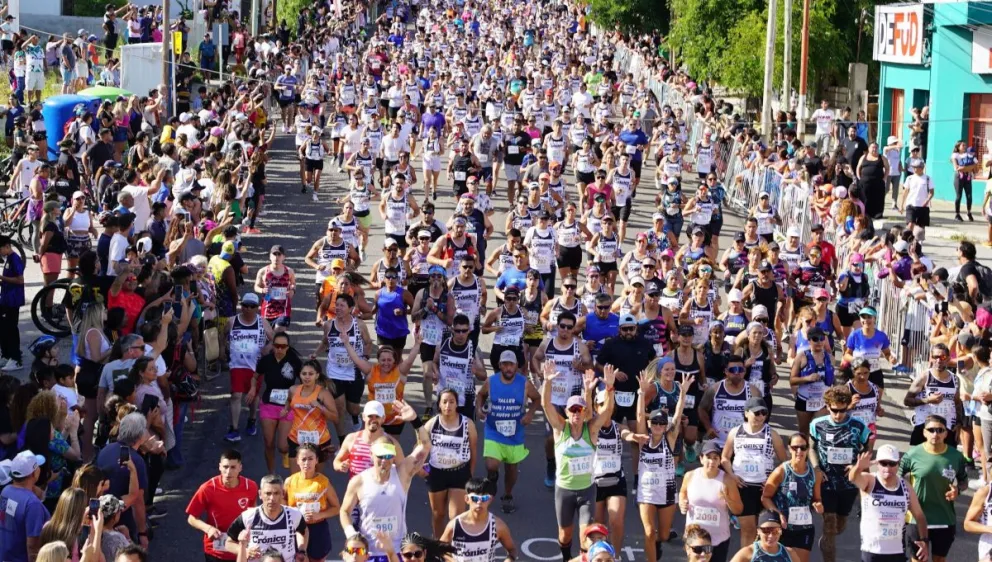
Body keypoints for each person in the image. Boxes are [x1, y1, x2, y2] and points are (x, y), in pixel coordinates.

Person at [541, 362, 615, 562]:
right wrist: (547, 382)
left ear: (584, 412)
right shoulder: (560, 429)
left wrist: (609, 387)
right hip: (564, 490)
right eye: (572, 409)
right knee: (564, 535)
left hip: (586, 491)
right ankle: (567, 558)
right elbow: (545, 405)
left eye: (579, 410)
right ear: (566, 412)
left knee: (586, 538)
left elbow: (607, 411)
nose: (576, 413)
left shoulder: (590, 430)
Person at [339, 402, 431, 559]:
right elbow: (344, 511)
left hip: (396, 553)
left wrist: (415, 420)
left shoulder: (402, 475)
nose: (384, 460)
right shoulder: (359, 481)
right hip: (367, 554)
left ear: (394, 456)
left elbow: (425, 445)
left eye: (389, 456)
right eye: (380, 455)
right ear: (371, 455)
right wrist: (351, 534)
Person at [809, 386, 870, 562]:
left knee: (839, 525)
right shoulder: (817, 424)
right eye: (834, 410)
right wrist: (816, 468)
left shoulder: (858, 426)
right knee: (829, 525)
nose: (838, 415)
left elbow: (867, 448)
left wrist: (857, 465)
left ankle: (827, 540)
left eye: (842, 410)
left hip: (849, 483)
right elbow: (811, 447)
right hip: (826, 482)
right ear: (828, 406)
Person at [475, 350, 541, 514]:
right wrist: (479, 409)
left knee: (511, 468)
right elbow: (480, 395)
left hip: (515, 433)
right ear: (499, 366)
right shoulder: (491, 382)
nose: (508, 368)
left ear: (517, 366)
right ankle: (492, 477)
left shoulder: (524, 383)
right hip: (493, 430)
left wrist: (530, 414)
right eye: (505, 364)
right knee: (492, 464)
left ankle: (507, 494)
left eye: (511, 364)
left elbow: (537, 399)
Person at [635, 373, 692, 562]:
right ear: (650, 424)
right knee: (650, 532)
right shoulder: (644, 439)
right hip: (647, 493)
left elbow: (677, 415)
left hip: (667, 492)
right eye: (655, 423)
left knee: (664, 535)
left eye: (662, 423)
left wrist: (683, 393)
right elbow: (639, 415)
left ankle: (659, 543)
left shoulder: (670, 438)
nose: (658, 426)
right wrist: (642, 393)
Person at [721, 397, 787, 547]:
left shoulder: (772, 434)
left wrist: (773, 481)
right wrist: (732, 476)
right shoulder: (735, 432)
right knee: (748, 530)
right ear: (746, 413)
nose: (761, 417)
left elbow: (784, 462)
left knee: (766, 530)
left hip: (765, 489)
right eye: (757, 413)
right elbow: (725, 457)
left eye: (764, 413)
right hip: (743, 486)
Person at [900, 414, 967, 562]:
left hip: (943, 517)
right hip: (916, 518)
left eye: (939, 430)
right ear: (924, 432)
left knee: (939, 560)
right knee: (917, 560)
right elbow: (895, 479)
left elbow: (963, 480)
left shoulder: (955, 456)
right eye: (931, 430)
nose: (935, 434)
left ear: (946, 433)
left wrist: (958, 490)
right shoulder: (912, 455)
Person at [850, 444, 929, 562]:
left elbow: (919, 515)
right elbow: (853, 478)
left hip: (896, 551)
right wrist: (858, 467)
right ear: (877, 463)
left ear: (898, 464)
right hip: (872, 550)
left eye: (892, 463)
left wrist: (924, 541)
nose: (888, 468)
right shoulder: (870, 480)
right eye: (883, 463)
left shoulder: (905, 487)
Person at [185, 450, 260, 562]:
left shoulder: (251, 486)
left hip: (242, 548)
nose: (228, 472)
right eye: (225, 467)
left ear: (240, 468)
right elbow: (192, 518)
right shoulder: (208, 488)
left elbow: (253, 512)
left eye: (233, 467)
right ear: (219, 467)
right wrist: (208, 528)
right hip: (216, 550)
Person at [424, 388, 478, 537]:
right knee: (438, 514)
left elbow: (474, 450)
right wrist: (421, 469)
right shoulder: (432, 424)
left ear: (456, 404)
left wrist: (469, 473)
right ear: (439, 405)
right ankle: (439, 545)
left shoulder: (468, 424)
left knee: (455, 517)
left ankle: (453, 548)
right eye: (445, 402)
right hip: (436, 473)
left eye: (451, 402)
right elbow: (420, 447)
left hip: (459, 473)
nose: (448, 405)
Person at [761, 433, 823, 562]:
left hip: (804, 528)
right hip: (783, 528)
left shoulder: (815, 474)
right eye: (795, 448)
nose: (799, 451)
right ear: (789, 448)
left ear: (807, 449)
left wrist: (818, 505)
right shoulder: (781, 472)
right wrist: (778, 514)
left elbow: (817, 498)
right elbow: (765, 497)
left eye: (803, 447)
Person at [680, 440, 744, 562]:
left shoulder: (727, 480)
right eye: (708, 457)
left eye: (715, 458)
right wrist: (682, 502)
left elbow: (739, 509)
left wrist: (728, 499)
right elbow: (683, 492)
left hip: (718, 539)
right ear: (701, 459)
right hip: (695, 539)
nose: (712, 461)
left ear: (719, 461)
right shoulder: (690, 476)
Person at [248, 332, 302, 473]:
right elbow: (255, 377)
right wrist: (253, 389)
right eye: (277, 346)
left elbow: (305, 382)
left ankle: (287, 454)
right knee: (268, 443)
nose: (279, 349)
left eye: (283, 346)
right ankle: (271, 475)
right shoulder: (266, 360)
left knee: (283, 446)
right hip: (268, 405)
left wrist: (298, 395)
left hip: (287, 406)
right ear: (272, 346)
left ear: (287, 347)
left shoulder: (294, 361)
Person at [224, 474, 306, 562]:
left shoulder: (294, 514)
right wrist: (245, 550)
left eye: (276, 493)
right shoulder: (247, 517)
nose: (272, 498)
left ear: (283, 493)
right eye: (268, 493)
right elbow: (228, 543)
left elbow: (304, 531)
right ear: (260, 494)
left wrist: (302, 550)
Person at [225, 293, 273, 443]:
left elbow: (276, 340)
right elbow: (222, 336)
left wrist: (268, 348)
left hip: (255, 366)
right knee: (236, 395)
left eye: (252, 306)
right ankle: (234, 428)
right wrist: (222, 350)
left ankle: (252, 420)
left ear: (257, 308)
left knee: (253, 396)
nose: (247, 309)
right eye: (245, 305)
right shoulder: (232, 321)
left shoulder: (263, 323)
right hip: (237, 364)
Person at [285, 443, 342, 562]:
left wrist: (319, 515)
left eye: (310, 459)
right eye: (303, 459)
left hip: (318, 528)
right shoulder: (290, 481)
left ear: (316, 460)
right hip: (296, 529)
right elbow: (283, 506)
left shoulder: (323, 482)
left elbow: (336, 508)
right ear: (297, 461)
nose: (307, 463)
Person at [439, 477, 518, 562]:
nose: (479, 503)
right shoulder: (455, 526)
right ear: (467, 499)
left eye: (484, 499)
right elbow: (440, 550)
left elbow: (512, 550)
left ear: (490, 500)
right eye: (475, 498)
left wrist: (509, 560)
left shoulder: (498, 526)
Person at [281, 359, 338, 470]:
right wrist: (286, 409)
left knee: (315, 478)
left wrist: (320, 407)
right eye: (304, 374)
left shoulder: (323, 394)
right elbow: (288, 400)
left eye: (311, 374)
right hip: (296, 438)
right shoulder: (293, 390)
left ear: (317, 376)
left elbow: (335, 417)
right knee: (296, 478)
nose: (307, 377)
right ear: (300, 375)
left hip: (319, 440)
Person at [904, 343, 962, 447]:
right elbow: (907, 401)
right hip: (925, 426)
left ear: (948, 359)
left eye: (942, 357)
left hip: (947, 427)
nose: (939, 360)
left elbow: (957, 403)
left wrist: (958, 424)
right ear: (931, 358)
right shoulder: (925, 377)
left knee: (946, 462)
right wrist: (928, 400)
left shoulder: (955, 380)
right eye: (935, 357)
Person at [0, 450, 50, 562]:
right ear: (33, 473)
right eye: (37, 466)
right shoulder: (33, 504)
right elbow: (32, 545)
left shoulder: (5, 491)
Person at [0, 235, 25, 372]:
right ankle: (7, 354)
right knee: (3, 328)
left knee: (10, 329)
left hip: (12, 300)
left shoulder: (15, 259)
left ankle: (15, 359)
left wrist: (2, 277)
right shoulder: (8, 259)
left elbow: (20, 280)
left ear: (7, 246)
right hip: (5, 298)